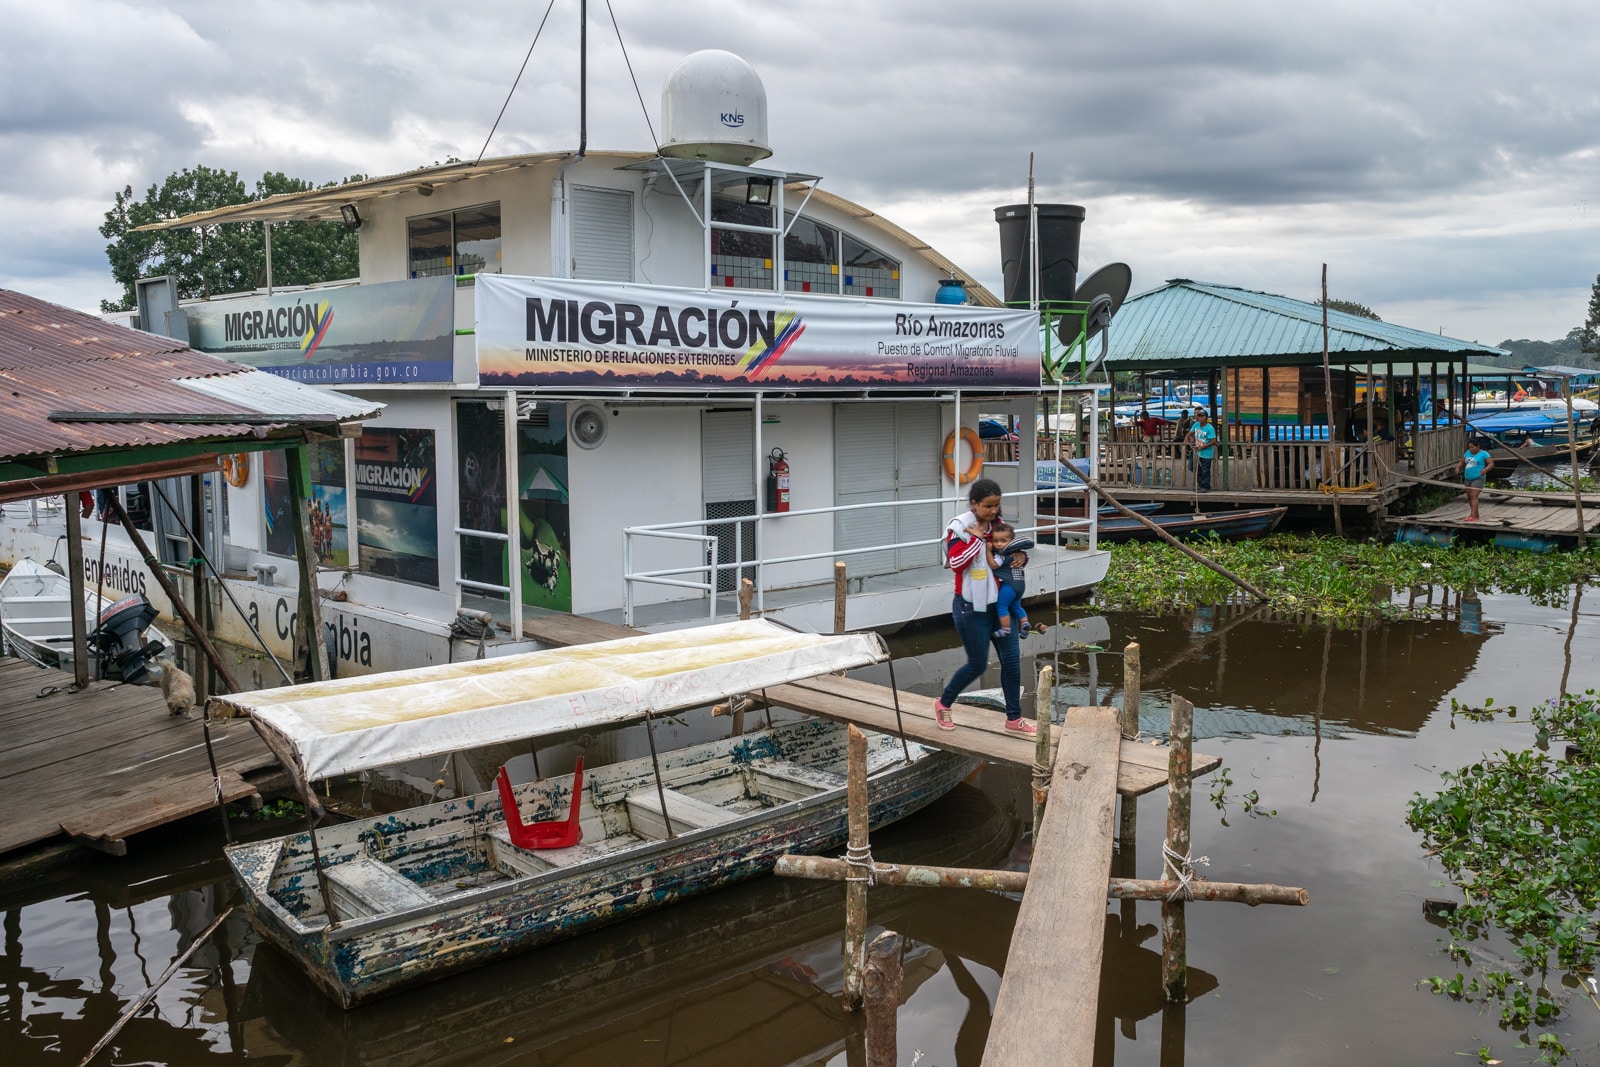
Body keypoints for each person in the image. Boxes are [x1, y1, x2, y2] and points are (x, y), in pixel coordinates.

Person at [933, 478, 1033, 735]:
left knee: (1012, 662)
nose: (993, 511)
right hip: (971, 607)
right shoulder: (960, 527)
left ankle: (1014, 718)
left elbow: (1007, 552)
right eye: (988, 506)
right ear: (974, 504)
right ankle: (943, 703)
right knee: (977, 665)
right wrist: (977, 540)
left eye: (996, 506)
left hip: (1002, 606)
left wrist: (1021, 557)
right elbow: (957, 563)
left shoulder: (998, 525)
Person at [990, 523, 1045, 639]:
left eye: (1003, 541)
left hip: (1009, 585)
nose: (999, 544)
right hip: (1020, 584)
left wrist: (987, 553)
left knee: (1002, 606)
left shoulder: (1002, 554)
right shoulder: (1018, 552)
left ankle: (1005, 629)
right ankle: (1025, 624)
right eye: (995, 541)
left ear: (1011, 541)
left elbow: (994, 565)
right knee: (1015, 605)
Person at [1455, 439, 1493, 521]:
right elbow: (1462, 461)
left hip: (1478, 478)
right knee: (1469, 497)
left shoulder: (1484, 454)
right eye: (1469, 447)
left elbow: (1491, 463)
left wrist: (1485, 470)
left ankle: (1472, 516)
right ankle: (1476, 515)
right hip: (1468, 478)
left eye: (1472, 447)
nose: (1471, 449)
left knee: (1473, 496)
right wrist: (1458, 466)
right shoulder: (1467, 453)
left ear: (1477, 446)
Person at [1186, 409, 1218, 492]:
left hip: (1207, 452)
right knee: (1192, 467)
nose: (1200, 418)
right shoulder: (1196, 424)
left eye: (1202, 416)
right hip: (1197, 451)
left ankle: (1205, 486)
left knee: (1205, 470)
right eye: (1199, 416)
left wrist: (1204, 446)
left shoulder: (1209, 428)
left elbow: (1213, 441)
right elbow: (1189, 434)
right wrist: (1189, 440)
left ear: (1206, 418)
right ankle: (1201, 484)